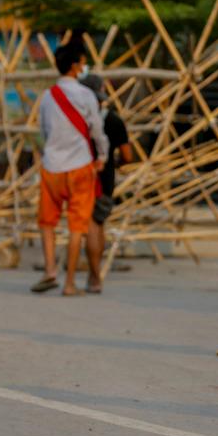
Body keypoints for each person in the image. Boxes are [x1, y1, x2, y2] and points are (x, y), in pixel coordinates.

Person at [32, 44, 108, 296]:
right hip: (80, 166)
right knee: (77, 226)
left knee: (47, 222)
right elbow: (97, 131)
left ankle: (50, 269)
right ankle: (70, 282)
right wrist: (103, 156)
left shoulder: (47, 96)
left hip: (52, 166)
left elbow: (43, 131)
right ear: (76, 66)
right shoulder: (86, 95)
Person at [80, 74, 133, 292]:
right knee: (98, 225)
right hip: (106, 179)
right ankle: (94, 273)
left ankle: (94, 276)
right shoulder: (114, 120)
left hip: (83, 176)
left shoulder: (79, 119)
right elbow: (127, 155)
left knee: (89, 226)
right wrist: (114, 162)